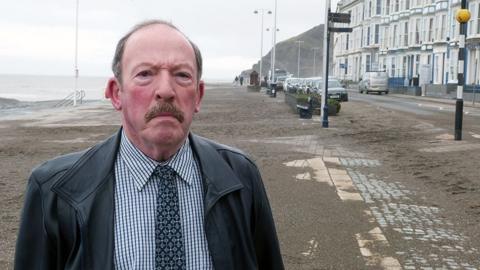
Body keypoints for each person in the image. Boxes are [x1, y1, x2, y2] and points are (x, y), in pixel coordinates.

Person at [14, 20, 284, 270]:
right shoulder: (54, 190)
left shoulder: (241, 176)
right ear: (116, 94)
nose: (165, 90)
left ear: (198, 96)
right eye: (145, 74)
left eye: (181, 75)